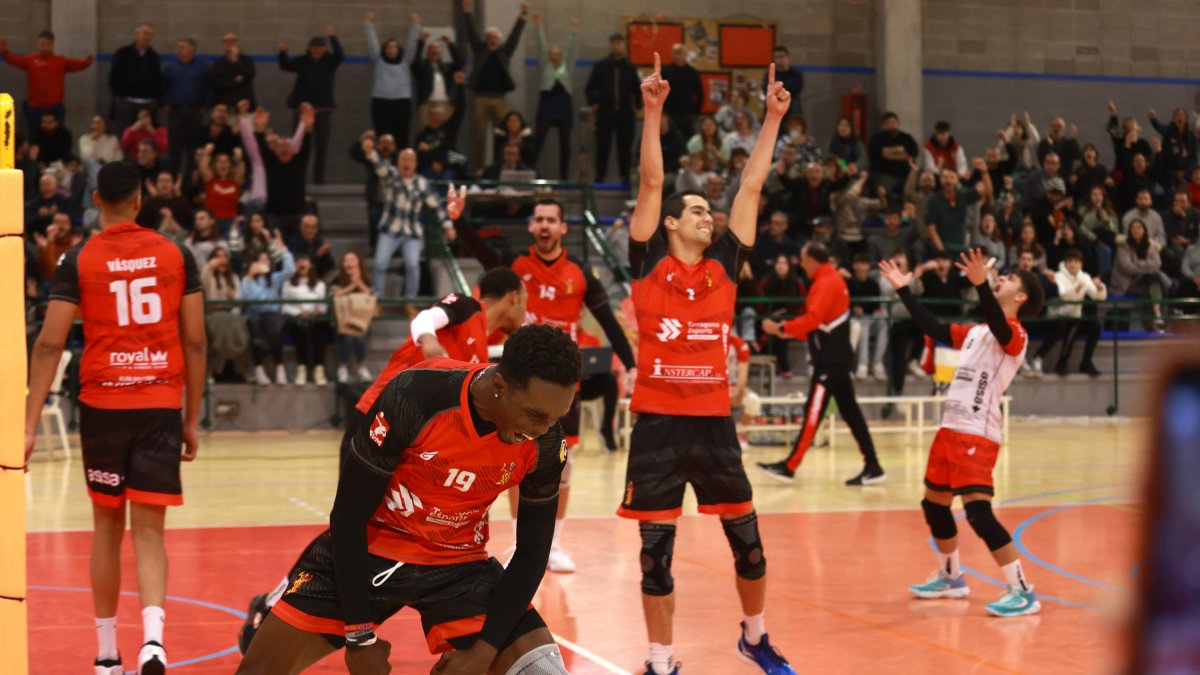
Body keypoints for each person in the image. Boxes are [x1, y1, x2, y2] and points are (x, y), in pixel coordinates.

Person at [235, 325, 580, 675]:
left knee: (545, 672)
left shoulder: (548, 443)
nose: (544, 428)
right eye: (536, 415)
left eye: (556, 417)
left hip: (459, 565)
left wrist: (483, 652)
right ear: (500, 388)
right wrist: (359, 638)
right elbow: (349, 516)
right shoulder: (416, 395)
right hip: (372, 549)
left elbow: (533, 552)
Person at [621, 55, 795, 675]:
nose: (707, 216)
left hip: (715, 424)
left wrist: (773, 118)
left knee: (748, 547)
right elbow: (649, 183)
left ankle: (755, 636)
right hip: (658, 426)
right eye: (695, 210)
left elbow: (750, 185)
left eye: (707, 212)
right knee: (654, 556)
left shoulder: (724, 266)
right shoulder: (647, 263)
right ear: (670, 222)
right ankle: (661, 662)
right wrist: (652, 111)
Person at [25, 160, 205, 675]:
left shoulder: (78, 259)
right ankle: (153, 643)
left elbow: (49, 343)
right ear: (141, 200)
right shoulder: (175, 253)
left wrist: (28, 424)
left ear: (97, 201)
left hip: (104, 406)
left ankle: (107, 654)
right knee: (151, 530)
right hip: (159, 405)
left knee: (106, 528)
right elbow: (195, 339)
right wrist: (191, 417)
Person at [453, 192, 637, 574]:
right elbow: (485, 256)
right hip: (520, 386)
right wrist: (459, 222)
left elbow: (608, 322)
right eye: (537, 220)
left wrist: (631, 363)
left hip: (562, 387)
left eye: (550, 220)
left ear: (563, 228)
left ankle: (553, 544)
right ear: (532, 227)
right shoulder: (517, 265)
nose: (543, 226)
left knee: (562, 466)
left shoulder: (581, 274)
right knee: (516, 465)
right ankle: (523, 544)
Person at [879, 248, 1046, 617]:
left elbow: (1000, 325)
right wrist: (905, 290)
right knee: (933, 505)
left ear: (1020, 297)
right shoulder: (976, 332)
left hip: (977, 434)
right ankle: (952, 576)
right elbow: (935, 329)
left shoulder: (1015, 333)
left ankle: (1021, 589)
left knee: (979, 514)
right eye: (999, 277)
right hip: (949, 430)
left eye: (1009, 279)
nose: (1002, 278)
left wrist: (981, 285)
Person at [756, 239, 884, 485]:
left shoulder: (825, 282)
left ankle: (789, 466)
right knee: (851, 412)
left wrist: (781, 327)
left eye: (803, 260)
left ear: (812, 260)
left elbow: (812, 320)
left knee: (813, 411)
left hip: (830, 360)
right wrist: (787, 330)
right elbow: (817, 322)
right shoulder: (830, 279)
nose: (801, 264)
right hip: (835, 357)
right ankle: (873, 465)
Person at [352, 267, 528, 435]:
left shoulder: (482, 347)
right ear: (513, 298)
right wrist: (429, 340)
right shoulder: (467, 306)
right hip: (379, 413)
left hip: (411, 431)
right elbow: (424, 317)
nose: (526, 313)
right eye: (526, 302)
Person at [366, 144, 452, 298]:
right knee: (379, 264)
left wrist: (447, 225)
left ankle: (410, 300)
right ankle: (377, 298)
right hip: (389, 229)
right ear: (398, 163)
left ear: (415, 163)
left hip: (412, 233)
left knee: (413, 265)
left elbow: (436, 205)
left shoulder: (422, 183)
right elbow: (381, 169)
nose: (407, 163)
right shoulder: (391, 176)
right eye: (403, 159)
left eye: (410, 159)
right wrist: (371, 153)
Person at [463, 0, 529, 172]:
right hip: (481, 98)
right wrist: (467, 12)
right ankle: (479, 169)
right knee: (480, 136)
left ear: (499, 41)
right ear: (486, 40)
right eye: (489, 38)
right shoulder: (480, 50)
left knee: (504, 135)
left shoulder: (504, 53)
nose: (492, 40)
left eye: (495, 38)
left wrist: (522, 17)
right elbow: (471, 33)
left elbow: (514, 36)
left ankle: (503, 167)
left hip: (500, 99)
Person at [278, 26, 343, 184]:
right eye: (313, 47)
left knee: (321, 148)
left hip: (322, 111)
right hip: (302, 112)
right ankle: (295, 179)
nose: (316, 50)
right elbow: (286, 65)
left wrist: (333, 37)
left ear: (324, 49)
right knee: (297, 146)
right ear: (309, 48)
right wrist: (282, 53)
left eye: (319, 47)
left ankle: (318, 182)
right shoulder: (303, 61)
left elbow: (340, 55)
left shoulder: (329, 62)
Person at [1028, 248, 1106, 377]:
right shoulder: (1058, 276)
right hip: (1059, 315)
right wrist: (1077, 290)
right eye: (1070, 261)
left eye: (1076, 261)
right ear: (1065, 263)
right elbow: (1063, 296)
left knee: (1095, 325)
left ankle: (1086, 362)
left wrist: (1099, 287)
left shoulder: (1084, 277)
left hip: (1075, 316)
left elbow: (1097, 296)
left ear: (1081, 264)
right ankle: (1062, 360)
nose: (1073, 264)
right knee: (1074, 324)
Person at [0, 31, 93, 124]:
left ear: (53, 45)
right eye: (42, 44)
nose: (45, 47)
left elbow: (76, 64)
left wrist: (86, 63)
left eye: (48, 44)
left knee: (57, 135)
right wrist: (5, 52)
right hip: (35, 107)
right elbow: (14, 60)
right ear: (38, 44)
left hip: (56, 107)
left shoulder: (60, 61)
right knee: (35, 136)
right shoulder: (30, 60)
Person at [585, 33, 640, 183]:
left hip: (625, 112)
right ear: (610, 45)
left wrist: (638, 106)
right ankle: (600, 175)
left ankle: (625, 176)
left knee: (625, 147)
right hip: (605, 112)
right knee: (602, 145)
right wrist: (594, 103)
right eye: (614, 44)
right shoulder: (602, 65)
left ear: (623, 45)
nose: (616, 47)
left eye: (619, 44)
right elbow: (590, 88)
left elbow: (638, 89)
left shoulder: (630, 67)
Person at [531, 13, 579, 179]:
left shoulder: (567, 65)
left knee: (565, 142)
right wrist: (538, 27)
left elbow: (573, 50)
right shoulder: (545, 65)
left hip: (563, 102)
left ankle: (564, 176)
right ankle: (530, 170)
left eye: (558, 54)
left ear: (561, 56)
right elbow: (540, 46)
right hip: (547, 101)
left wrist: (574, 32)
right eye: (552, 54)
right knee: (539, 138)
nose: (554, 56)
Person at [240, 245, 297, 386]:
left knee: (274, 325)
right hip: (254, 316)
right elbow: (247, 298)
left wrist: (284, 251)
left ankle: (280, 368)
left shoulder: (275, 278)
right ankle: (259, 369)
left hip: (273, 316)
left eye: (267, 260)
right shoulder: (247, 280)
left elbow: (290, 270)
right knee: (258, 326)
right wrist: (251, 276)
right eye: (261, 260)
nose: (265, 263)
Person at [363, 11, 421, 144]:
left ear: (398, 49)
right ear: (384, 50)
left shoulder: (406, 61)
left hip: (402, 102)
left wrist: (416, 26)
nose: (391, 50)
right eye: (388, 47)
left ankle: (401, 162)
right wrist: (368, 25)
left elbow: (412, 45)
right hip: (381, 102)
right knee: (383, 137)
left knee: (402, 136)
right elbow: (372, 44)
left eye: (394, 47)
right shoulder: (378, 60)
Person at [161, 38, 210, 175]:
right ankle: (172, 180)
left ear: (191, 50)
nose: (179, 50)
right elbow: (162, 87)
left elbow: (209, 89)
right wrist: (164, 103)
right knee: (174, 148)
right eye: (179, 47)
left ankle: (190, 183)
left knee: (193, 148)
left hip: (195, 112)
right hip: (175, 112)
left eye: (182, 47)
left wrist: (205, 105)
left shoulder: (202, 68)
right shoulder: (171, 69)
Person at [281, 254, 331, 387]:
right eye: (299, 260)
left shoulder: (320, 284)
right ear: (296, 265)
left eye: (305, 260)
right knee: (300, 331)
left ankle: (319, 370)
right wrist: (298, 313)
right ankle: (301, 369)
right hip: (296, 319)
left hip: (315, 318)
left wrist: (318, 310)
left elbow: (323, 304)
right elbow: (285, 306)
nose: (302, 263)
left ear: (311, 265)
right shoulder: (288, 284)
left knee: (320, 330)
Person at [1110, 219, 1168, 331]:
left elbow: (1157, 264)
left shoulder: (1150, 246)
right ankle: (1156, 318)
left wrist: (1137, 263)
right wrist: (1146, 267)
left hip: (1145, 283)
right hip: (1128, 283)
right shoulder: (1123, 246)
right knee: (1153, 278)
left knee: (1151, 287)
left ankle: (1155, 318)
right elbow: (1127, 267)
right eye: (1133, 228)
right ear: (1129, 231)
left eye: (1139, 228)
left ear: (1144, 231)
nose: (1136, 230)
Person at [925, 159, 993, 254]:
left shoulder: (963, 195)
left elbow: (988, 191)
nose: (948, 181)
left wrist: (984, 172)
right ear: (940, 179)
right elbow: (931, 227)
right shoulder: (933, 200)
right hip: (941, 248)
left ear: (957, 180)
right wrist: (941, 250)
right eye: (945, 177)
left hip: (961, 248)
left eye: (952, 177)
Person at [109, 24, 162, 136]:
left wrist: (154, 99)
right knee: (126, 134)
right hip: (126, 102)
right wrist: (120, 95)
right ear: (137, 35)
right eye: (145, 33)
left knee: (145, 136)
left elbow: (157, 79)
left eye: (150, 34)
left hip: (147, 103)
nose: (147, 37)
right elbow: (114, 77)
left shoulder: (154, 56)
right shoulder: (123, 53)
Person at [331, 251, 375, 383]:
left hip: (362, 319)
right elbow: (334, 295)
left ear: (359, 263)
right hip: (342, 320)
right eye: (346, 260)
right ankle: (342, 367)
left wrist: (359, 283)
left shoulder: (367, 280)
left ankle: (361, 366)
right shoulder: (336, 279)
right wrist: (352, 286)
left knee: (361, 334)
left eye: (353, 260)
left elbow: (372, 296)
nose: (349, 263)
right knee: (349, 336)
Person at [847, 252, 888, 380]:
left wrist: (877, 311)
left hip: (871, 318)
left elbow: (875, 305)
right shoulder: (848, 283)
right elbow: (845, 303)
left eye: (863, 264)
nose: (860, 267)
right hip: (853, 320)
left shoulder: (874, 284)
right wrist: (853, 308)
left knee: (884, 321)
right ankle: (862, 364)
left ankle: (877, 363)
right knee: (863, 323)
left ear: (868, 267)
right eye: (858, 264)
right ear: (854, 266)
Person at [868, 112, 919, 202]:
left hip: (905, 174)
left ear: (898, 124)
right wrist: (899, 152)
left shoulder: (906, 138)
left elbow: (913, 153)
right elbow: (876, 153)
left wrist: (890, 154)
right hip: (885, 174)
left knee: (908, 197)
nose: (891, 125)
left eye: (893, 122)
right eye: (887, 124)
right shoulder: (877, 138)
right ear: (882, 126)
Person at [661, 43, 702, 139]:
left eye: (679, 53)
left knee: (688, 141)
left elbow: (700, 94)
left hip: (687, 115)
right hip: (670, 114)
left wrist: (695, 112)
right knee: (670, 140)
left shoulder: (693, 73)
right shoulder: (665, 71)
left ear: (685, 55)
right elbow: (659, 91)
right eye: (674, 53)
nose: (676, 56)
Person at [211, 32, 256, 109]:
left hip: (245, 103)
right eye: (226, 41)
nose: (229, 43)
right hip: (226, 103)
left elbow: (249, 75)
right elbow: (217, 82)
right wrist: (235, 81)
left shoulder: (246, 60)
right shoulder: (218, 63)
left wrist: (236, 61)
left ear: (237, 43)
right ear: (223, 44)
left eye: (232, 41)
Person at [763, 45, 803, 118]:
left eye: (782, 56)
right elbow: (766, 89)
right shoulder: (770, 75)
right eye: (777, 57)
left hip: (791, 109)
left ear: (788, 57)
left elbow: (795, 89)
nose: (780, 60)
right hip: (774, 108)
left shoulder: (796, 74)